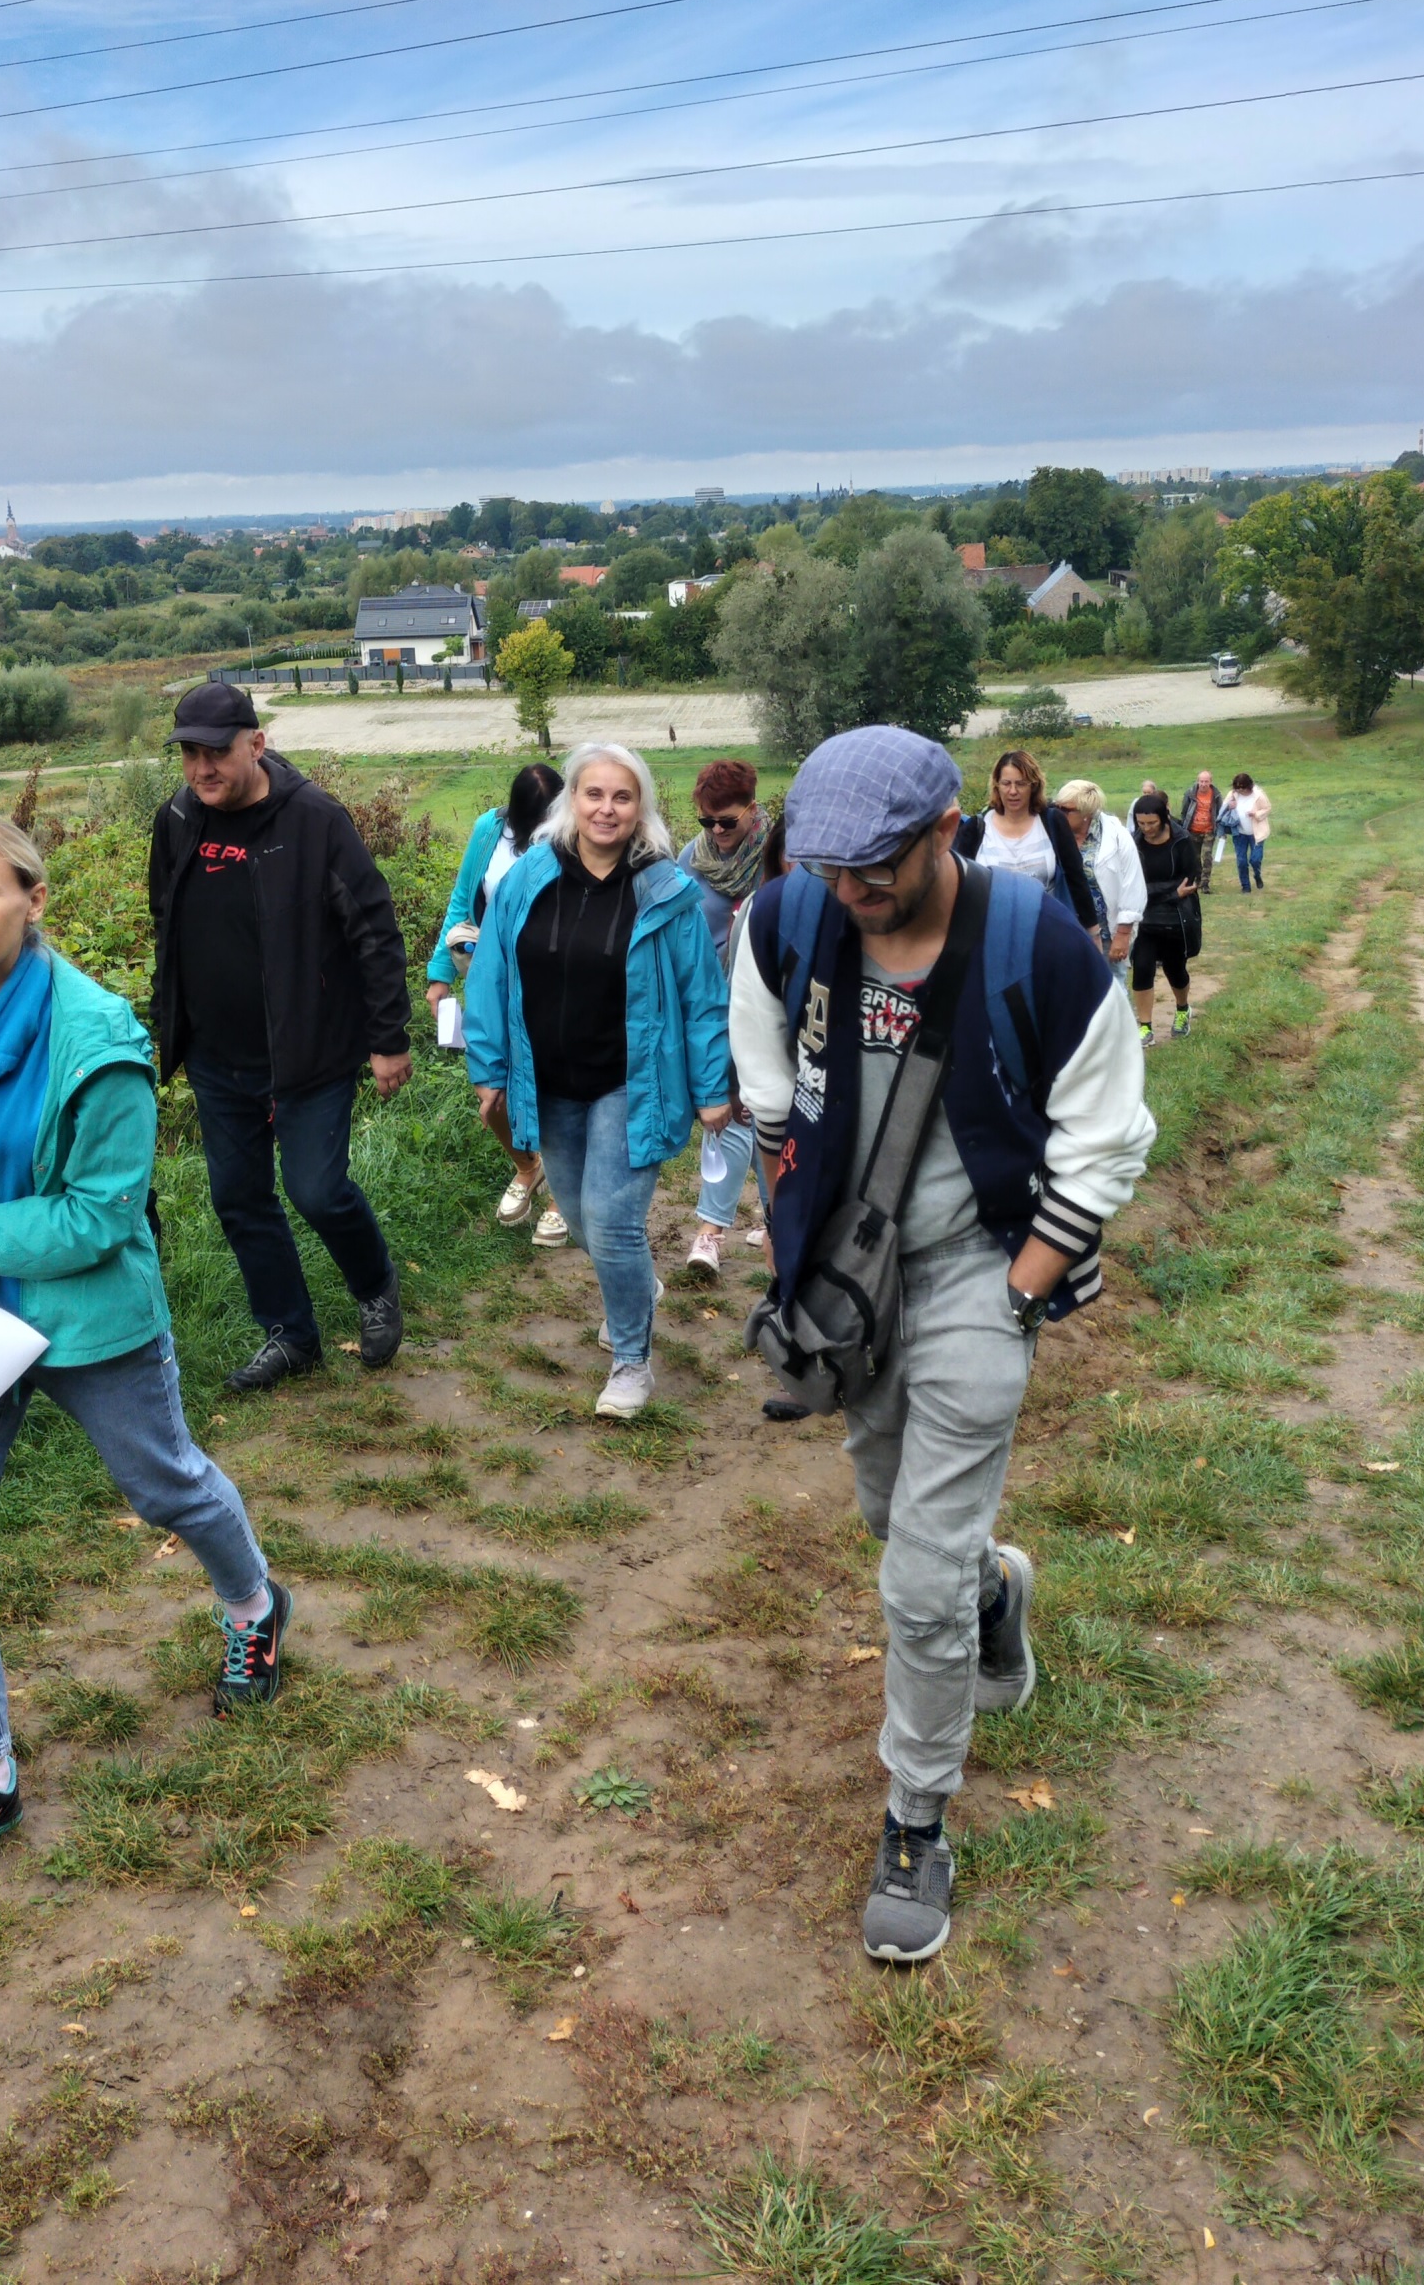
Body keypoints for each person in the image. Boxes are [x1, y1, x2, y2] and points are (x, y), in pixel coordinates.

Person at [728, 728, 1153, 1964]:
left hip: (982, 1268)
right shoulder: (784, 925)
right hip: (851, 1281)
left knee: (908, 1582)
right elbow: (766, 1094)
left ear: (943, 828)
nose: (848, 893)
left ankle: (915, 1817)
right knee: (889, 1512)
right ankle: (992, 1589)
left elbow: (1105, 1134)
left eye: (874, 869)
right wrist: (794, 1250)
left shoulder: (1039, 950)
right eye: (826, 868)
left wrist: (1021, 1293)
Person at [0, 815, 288, 1898]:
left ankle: (251, 1604)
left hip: (91, 1319)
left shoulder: (97, 1036)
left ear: (32, 899)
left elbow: (98, 1216)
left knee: (167, 1486)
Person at [148, 682, 412, 1392]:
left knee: (317, 1191)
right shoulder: (177, 820)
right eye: (191, 755)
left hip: (310, 1049)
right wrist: (167, 1026)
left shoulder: (315, 820)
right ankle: (291, 1333)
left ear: (256, 744)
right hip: (215, 1055)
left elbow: (376, 931)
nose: (203, 769)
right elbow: (165, 926)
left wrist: (389, 1039)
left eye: (218, 753)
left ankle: (376, 1284)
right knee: (239, 1199)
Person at [464, 743, 733, 1419]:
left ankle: (631, 1363)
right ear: (571, 802)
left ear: (639, 808)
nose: (606, 809)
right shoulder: (529, 877)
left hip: (631, 1082)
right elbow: (494, 973)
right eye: (593, 794)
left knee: (612, 1223)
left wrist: (711, 1087)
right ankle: (636, 1288)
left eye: (621, 796)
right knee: (582, 1221)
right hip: (547, 1081)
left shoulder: (666, 892)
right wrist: (488, 1066)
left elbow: (702, 996)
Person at [427, 763, 567, 1243]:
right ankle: (529, 1167)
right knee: (492, 1099)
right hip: (491, 980)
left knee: (553, 1093)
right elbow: (462, 900)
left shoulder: (570, 840)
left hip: (551, 986)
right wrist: (439, 976)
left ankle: (560, 1198)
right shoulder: (491, 829)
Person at [677, 759, 773, 1277]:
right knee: (741, 1111)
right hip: (712, 1008)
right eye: (706, 821)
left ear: (752, 809)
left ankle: (712, 1232)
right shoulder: (690, 861)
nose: (716, 832)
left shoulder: (779, 857)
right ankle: (759, 1219)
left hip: (768, 1004)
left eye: (727, 821)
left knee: (754, 1112)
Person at [955, 750, 1103, 934]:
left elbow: (1076, 878)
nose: (1013, 791)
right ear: (997, 786)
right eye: (1006, 783)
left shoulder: (1052, 822)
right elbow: (960, 888)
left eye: (1021, 784)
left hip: (1048, 932)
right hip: (991, 934)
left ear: (1034, 786)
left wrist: (1093, 931)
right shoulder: (975, 828)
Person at [1054, 779, 1145, 987]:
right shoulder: (1053, 832)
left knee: (1111, 989)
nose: (1058, 814)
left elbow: (1133, 885)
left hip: (1105, 933)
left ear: (1086, 812)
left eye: (1066, 810)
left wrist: (1123, 934)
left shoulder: (1116, 836)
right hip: (1063, 930)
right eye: (1056, 807)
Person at [1128, 788, 1202, 1042]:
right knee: (1142, 969)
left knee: (1175, 969)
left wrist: (1156, 893)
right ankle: (1145, 1026)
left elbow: (1191, 881)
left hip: (1175, 918)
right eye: (1141, 823)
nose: (1146, 828)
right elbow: (1131, 883)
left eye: (1152, 823)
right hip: (1144, 918)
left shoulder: (1182, 841)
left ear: (1164, 818)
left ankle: (1182, 1009)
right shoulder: (1133, 843)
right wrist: (1170, 891)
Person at [1178, 767, 1223, 891]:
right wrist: (1184, 828)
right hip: (1193, 830)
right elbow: (1184, 811)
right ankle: (1198, 879)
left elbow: (1220, 813)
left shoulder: (1216, 795)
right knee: (1195, 857)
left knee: (1206, 856)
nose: (1203, 784)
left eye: (1206, 781)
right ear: (1198, 781)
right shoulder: (1190, 793)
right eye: (1201, 781)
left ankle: (1205, 883)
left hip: (1209, 830)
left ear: (1210, 782)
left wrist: (1220, 829)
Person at [1228, 770, 1272, 891]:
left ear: (1249, 786)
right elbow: (1224, 808)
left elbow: (1267, 808)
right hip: (1239, 833)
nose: (1240, 790)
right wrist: (1229, 806)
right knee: (1241, 861)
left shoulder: (1258, 795)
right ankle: (1245, 886)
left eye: (1243, 788)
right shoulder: (1233, 794)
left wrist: (1256, 814)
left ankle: (1257, 875)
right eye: (1238, 788)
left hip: (1256, 833)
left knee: (1255, 859)